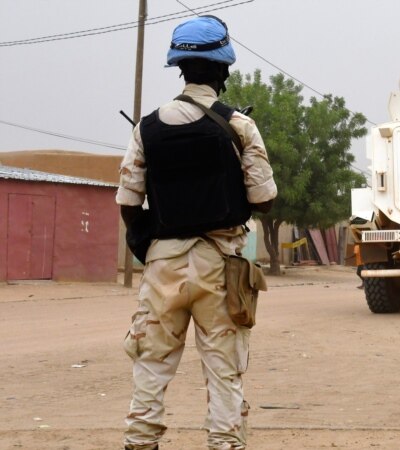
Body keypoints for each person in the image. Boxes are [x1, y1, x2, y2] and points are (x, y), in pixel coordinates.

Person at [117, 15, 278, 450]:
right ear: (224, 70)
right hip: (220, 267)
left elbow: (129, 205)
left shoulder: (146, 128)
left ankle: (140, 442)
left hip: (161, 264)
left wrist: (152, 247)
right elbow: (264, 198)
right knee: (224, 373)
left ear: (180, 69)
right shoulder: (240, 126)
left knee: (150, 366)